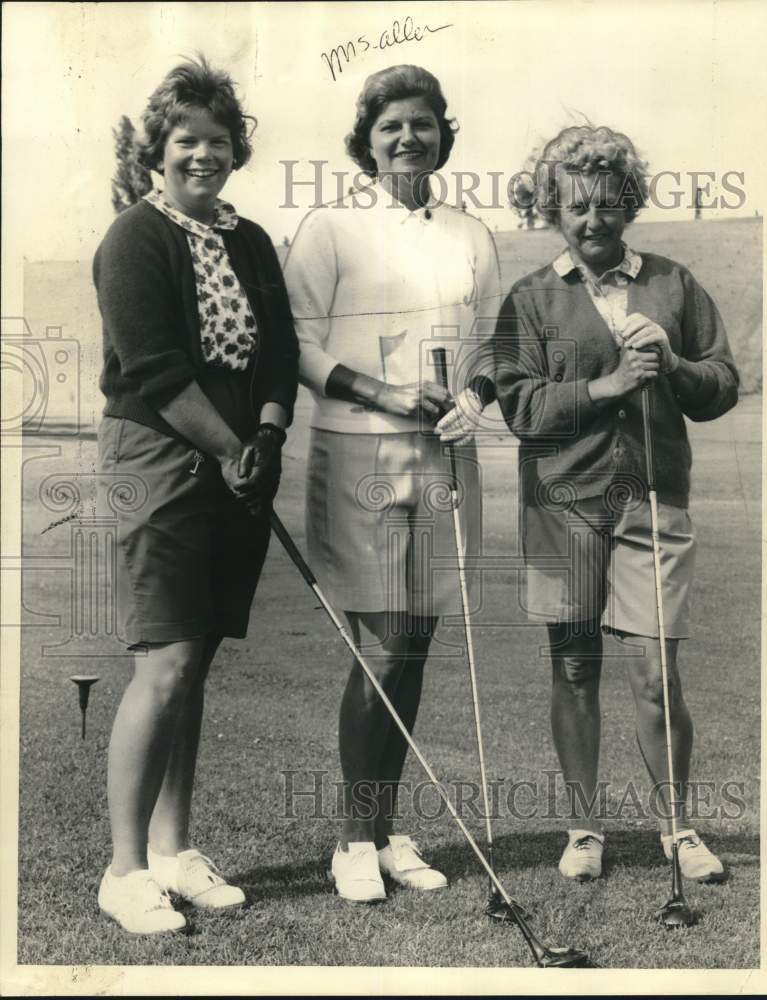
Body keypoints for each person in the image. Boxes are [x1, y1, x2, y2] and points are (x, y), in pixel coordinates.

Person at [493, 125, 739, 882]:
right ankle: (582, 829)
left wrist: (671, 366)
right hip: (562, 505)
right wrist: (605, 387)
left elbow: (722, 384)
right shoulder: (531, 299)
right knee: (573, 669)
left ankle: (677, 827)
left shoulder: (672, 283)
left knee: (656, 672)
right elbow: (518, 406)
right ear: (551, 210)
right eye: (574, 207)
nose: (591, 220)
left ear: (626, 203)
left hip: (653, 504)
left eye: (605, 204)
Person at [284, 64, 501, 903]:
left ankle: (381, 828)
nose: (407, 137)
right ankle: (349, 838)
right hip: (357, 450)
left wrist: (474, 399)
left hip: (447, 454)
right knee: (381, 645)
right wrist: (382, 394)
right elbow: (296, 345)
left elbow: (485, 344)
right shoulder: (329, 226)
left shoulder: (471, 232)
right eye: (389, 127)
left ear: (444, 133)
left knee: (414, 645)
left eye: (422, 123)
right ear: (365, 142)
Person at [93, 56, 299, 934]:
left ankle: (176, 852)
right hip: (160, 459)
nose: (204, 155)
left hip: (234, 462)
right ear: (157, 150)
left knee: (198, 662)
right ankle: (124, 868)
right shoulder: (134, 239)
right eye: (187, 141)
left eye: (219, 141)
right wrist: (229, 450)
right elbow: (154, 369)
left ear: (235, 150)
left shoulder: (248, 240)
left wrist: (267, 436)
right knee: (165, 662)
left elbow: (279, 352)